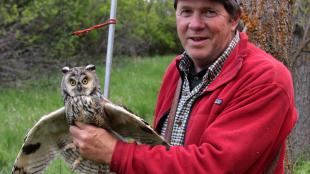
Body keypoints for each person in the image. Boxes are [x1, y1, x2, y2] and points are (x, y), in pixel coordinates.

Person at [69, 0, 297, 173]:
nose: (195, 25)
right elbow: (162, 148)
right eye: (186, 11)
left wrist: (117, 154)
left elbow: (214, 166)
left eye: (209, 11)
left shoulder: (266, 79)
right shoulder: (177, 70)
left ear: (234, 18)